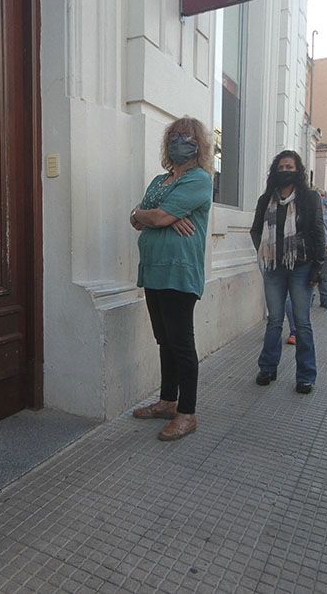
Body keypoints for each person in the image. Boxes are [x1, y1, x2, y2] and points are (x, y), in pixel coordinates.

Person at [129, 117, 214, 441]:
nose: (181, 141)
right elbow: (136, 217)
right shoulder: (159, 181)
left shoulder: (199, 180)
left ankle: (187, 412)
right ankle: (167, 401)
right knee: (164, 340)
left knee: (181, 344)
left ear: (199, 145)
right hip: (153, 269)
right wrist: (153, 217)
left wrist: (157, 217)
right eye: (175, 136)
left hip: (180, 272)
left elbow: (157, 215)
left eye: (188, 137)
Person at [250, 150, 325, 394]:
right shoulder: (266, 199)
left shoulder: (309, 198)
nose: (285, 170)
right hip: (274, 269)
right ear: (275, 170)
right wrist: (265, 253)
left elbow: (317, 231)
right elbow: (255, 230)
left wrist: (318, 267)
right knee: (274, 320)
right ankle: (267, 368)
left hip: (301, 267)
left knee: (302, 323)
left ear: (298, 170)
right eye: (281, 167)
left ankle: (305, 375)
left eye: (289, 167)